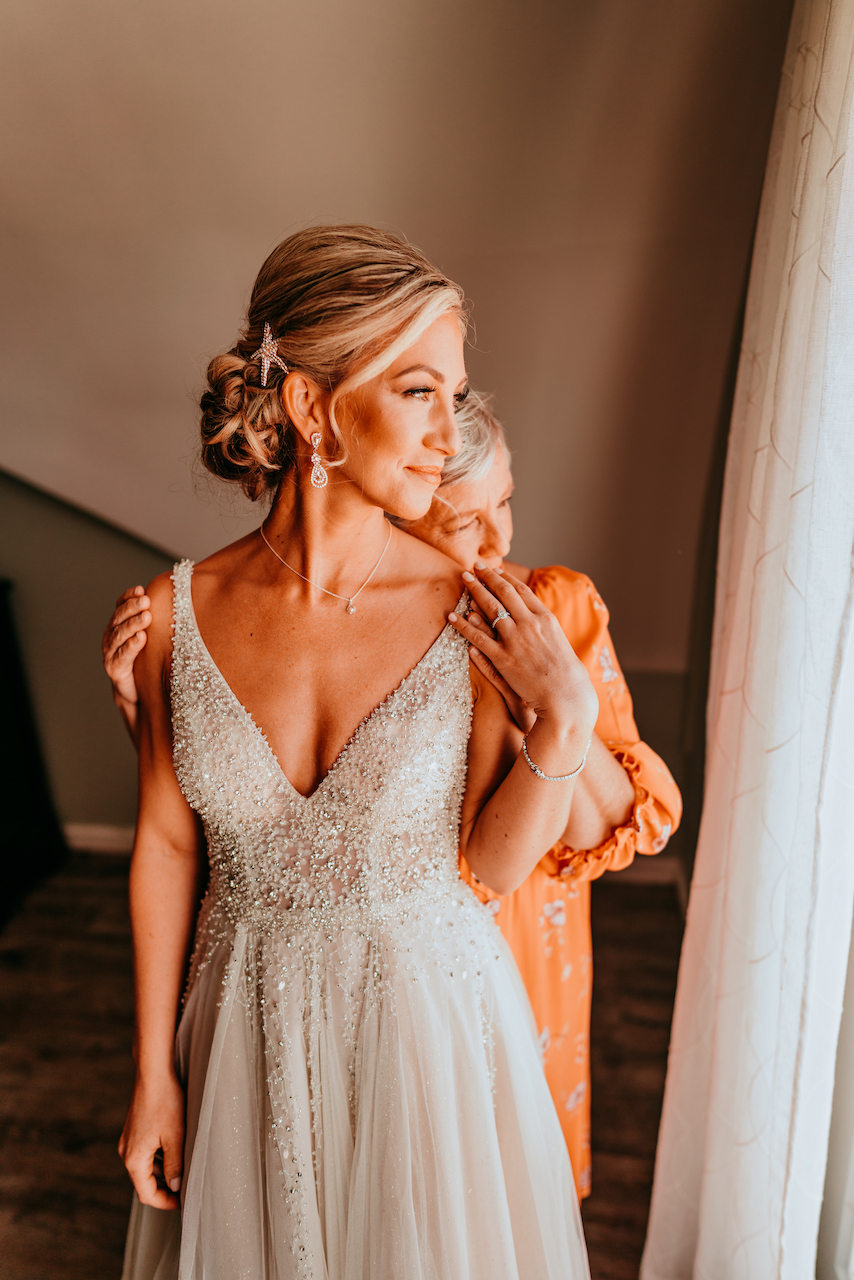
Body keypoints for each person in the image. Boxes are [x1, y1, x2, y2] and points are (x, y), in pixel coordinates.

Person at [116, 224, 596, 1280]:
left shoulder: (469, 609)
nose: (445, 431)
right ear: (310, 406)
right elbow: (163, 844)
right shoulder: (168, 616)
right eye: (418, 389)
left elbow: (491, 869)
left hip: (427, 1035)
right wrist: (153, 1072)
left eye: (454, 393)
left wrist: (559, 724)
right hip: (242, 1028)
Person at [105, 392, 682, 1203]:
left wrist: (563, 711)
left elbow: (609, 830)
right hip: (284, 984)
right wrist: (152, 711)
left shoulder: (536, 608)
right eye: (464, 521)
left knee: (475, 1195)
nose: (499, 541)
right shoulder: (222, 606)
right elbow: (246, 827)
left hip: (486, 959)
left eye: (507, 501)